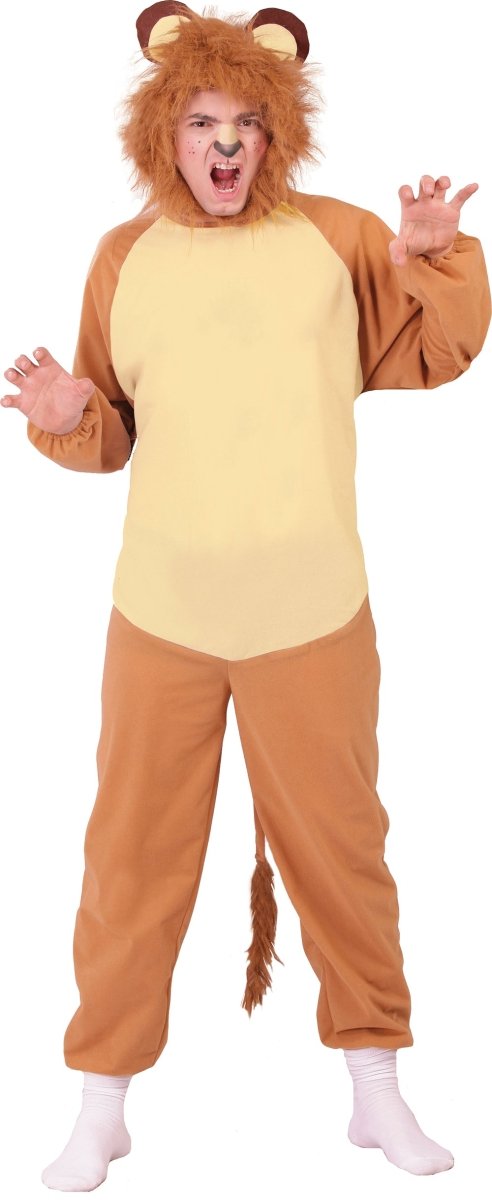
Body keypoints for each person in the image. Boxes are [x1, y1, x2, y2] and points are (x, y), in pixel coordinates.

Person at [2, 3, 490, 1190]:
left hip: (310, 614)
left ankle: (375, 1090)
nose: (226, 144)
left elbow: (439, 352)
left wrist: (434, 258)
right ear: (164, 133)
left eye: (248, 124)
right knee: (131, 857)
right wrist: (68, 417)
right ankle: (101, 1104)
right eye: (203, 122)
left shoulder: (338, 238)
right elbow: (111, 430)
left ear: (277, 133)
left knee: (343, 851)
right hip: (161, 616)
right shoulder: (124, 257)